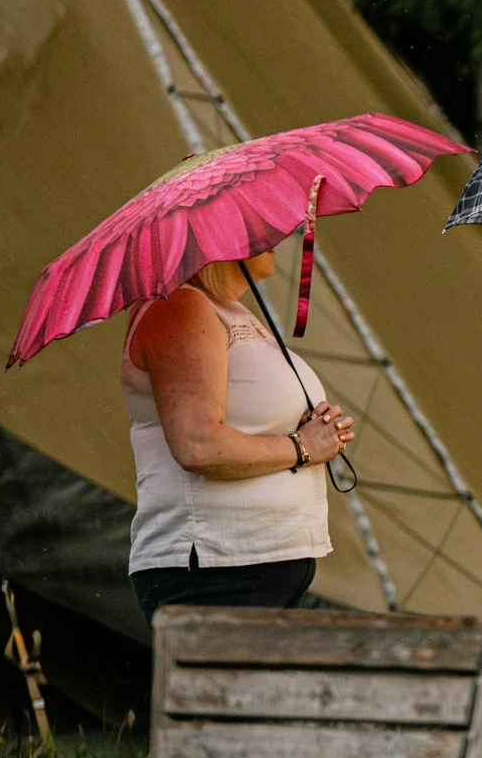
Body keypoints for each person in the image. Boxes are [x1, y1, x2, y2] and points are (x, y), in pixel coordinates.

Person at [124, 249, 354, 621]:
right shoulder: (180, 307)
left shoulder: (225, 309)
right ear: (224, 242)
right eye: (261, 227)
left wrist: (305, 423)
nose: (277, 236)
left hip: (243, 570)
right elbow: (198, 446)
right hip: (215, 571)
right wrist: (302, 446)